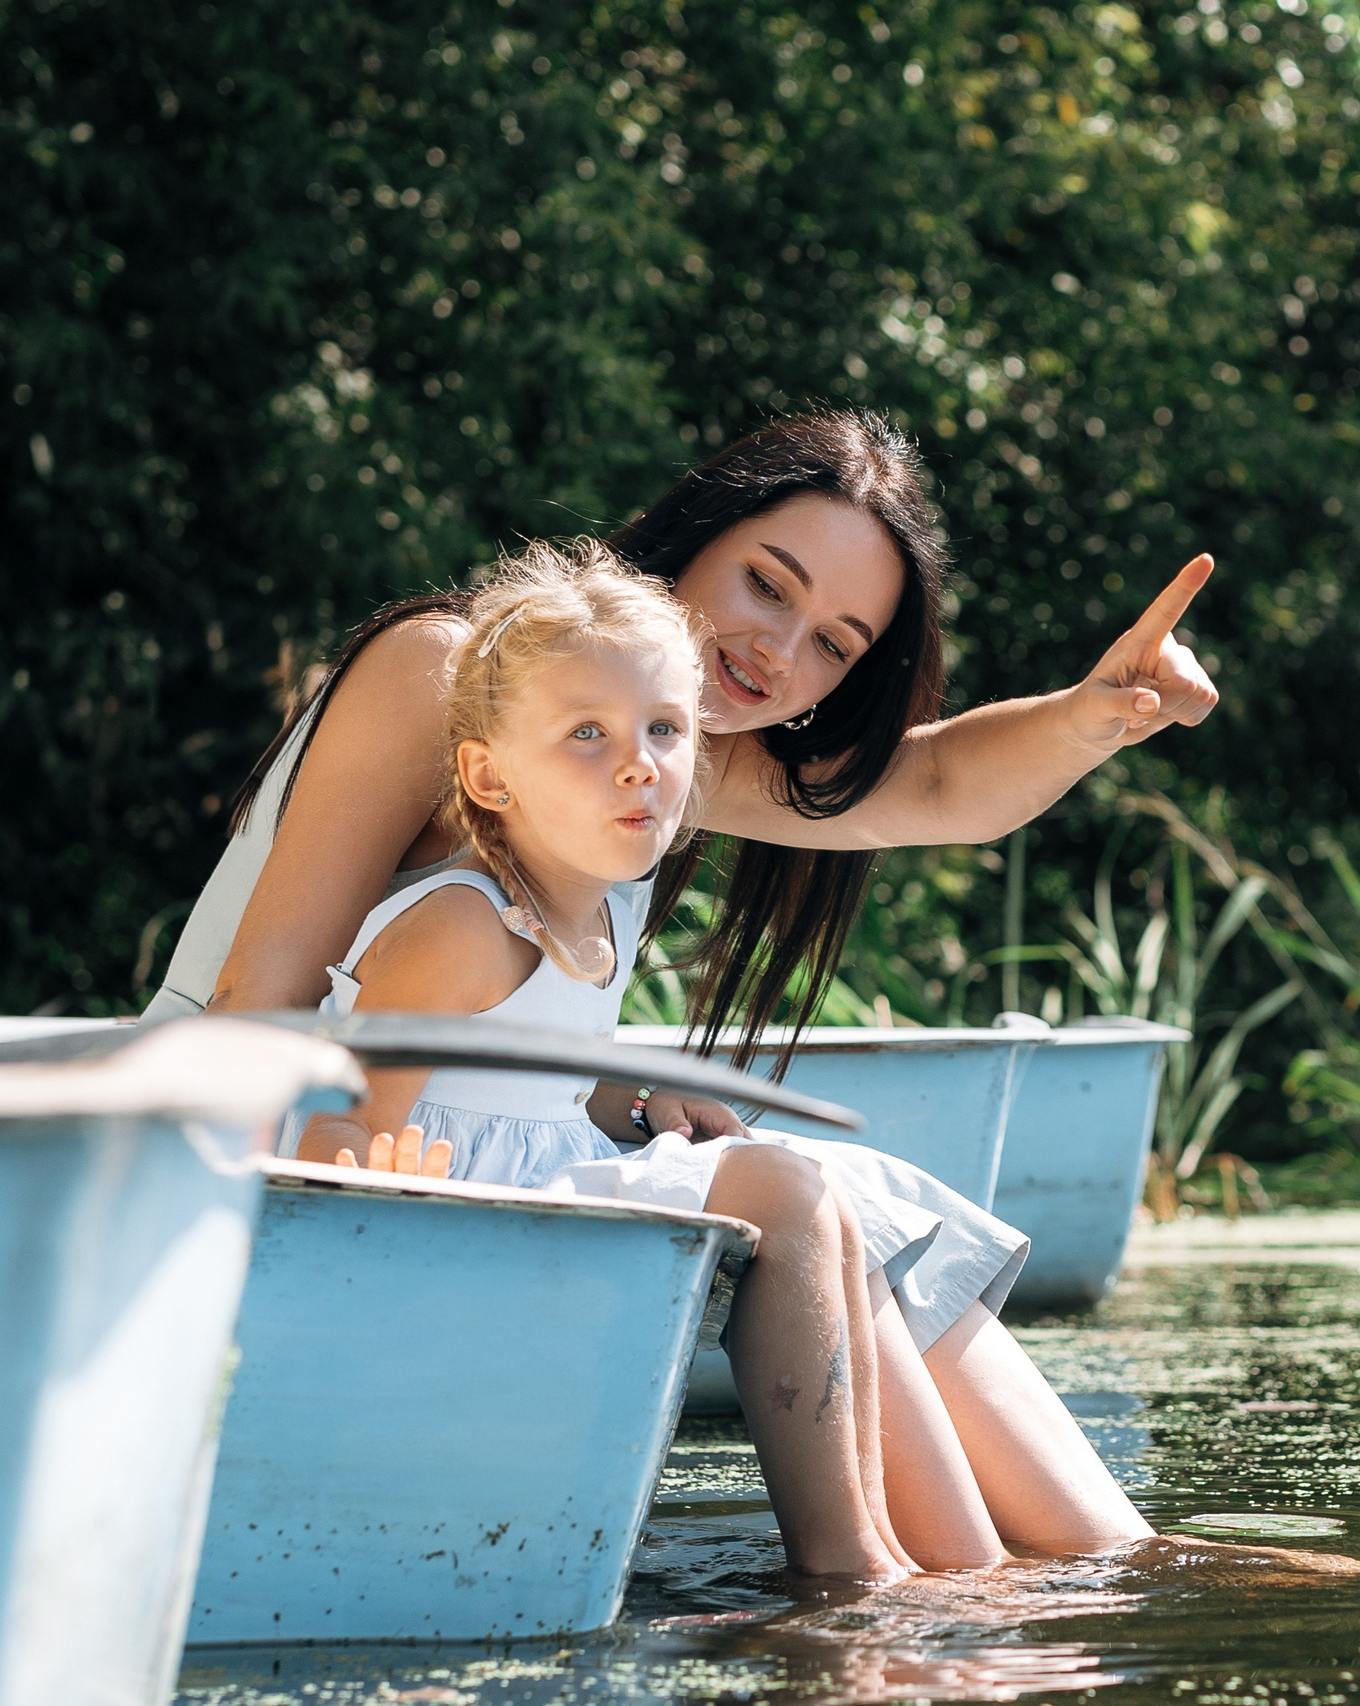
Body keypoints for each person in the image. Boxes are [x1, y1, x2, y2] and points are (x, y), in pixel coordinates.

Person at [149, 410, 1213, 1564]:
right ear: (694, 536)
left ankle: (1107, 1560)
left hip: (446, 1135)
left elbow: (937, 780)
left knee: (843, 1186)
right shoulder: (466, 681)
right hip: (252, 1135)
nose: (778, 652)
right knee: (792, 1187)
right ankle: (894, 1582)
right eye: (768, 585)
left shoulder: (648, 752)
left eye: (833, 645)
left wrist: (1099, 713)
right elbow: (269, 995)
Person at [301, 540, 1126, 1578]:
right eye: (587, 734)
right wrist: (358, 1163)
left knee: (809, 1189)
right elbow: (340, 1107)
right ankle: (850, 1562)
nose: (639, 761)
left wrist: (641, 1098)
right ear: (487, 775)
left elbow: (536, 1074)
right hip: (466, 1226)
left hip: (537, 1197)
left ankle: (935, 1556)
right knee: (777, 1186)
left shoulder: (593, 916)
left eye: (664, 729)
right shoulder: (464, 925)